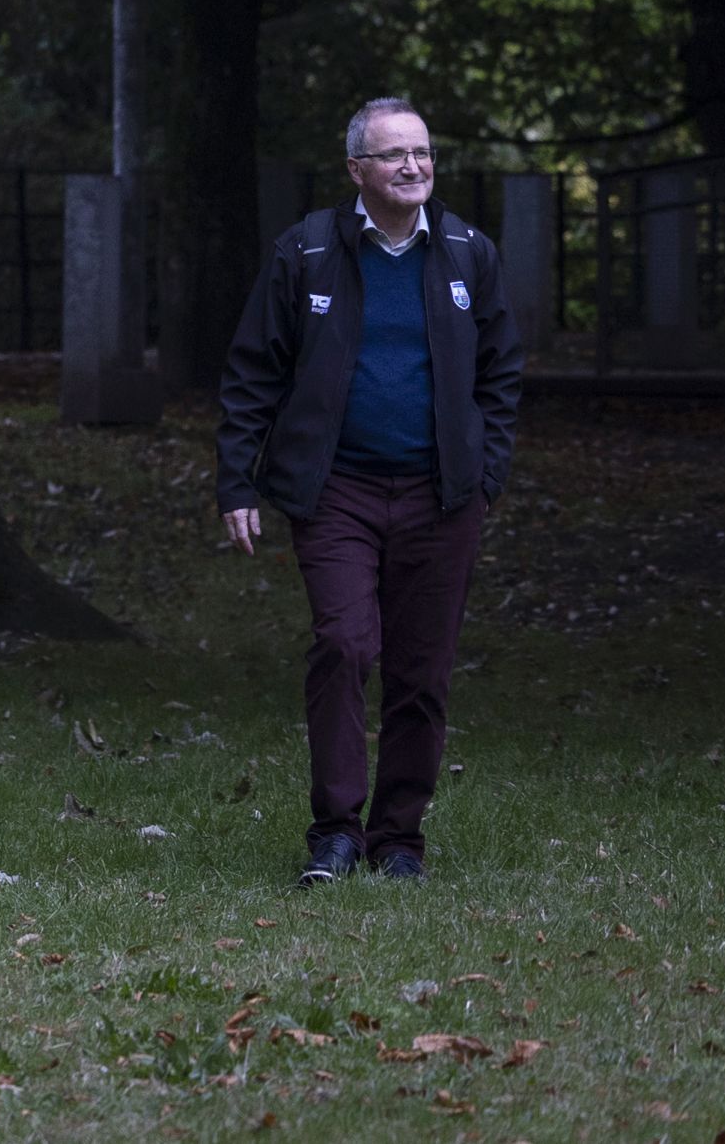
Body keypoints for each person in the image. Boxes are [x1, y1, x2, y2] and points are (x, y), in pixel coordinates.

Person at [212, 95, 524, 884]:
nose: (414, 166)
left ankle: (397, 841)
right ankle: (336, 832)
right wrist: (237, 479)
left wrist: (484, 473)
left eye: (422, 152)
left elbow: (501, 374)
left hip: (442, 497)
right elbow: (254, 370)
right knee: (345, 645)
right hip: (336, 492)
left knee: (422, 672)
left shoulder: (465, 252)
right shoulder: (308, 251)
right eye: (394, 155)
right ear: (357, 169)